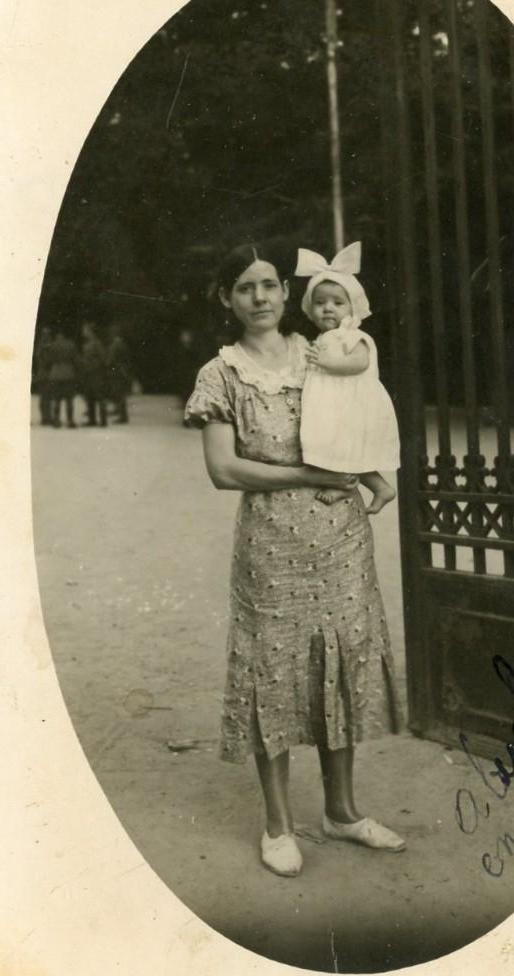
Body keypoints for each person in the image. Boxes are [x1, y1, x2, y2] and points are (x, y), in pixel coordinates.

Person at [185, 242, 405, 878]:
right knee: (273, 671)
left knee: (341, 657)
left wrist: (371, 473)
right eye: (245, 287)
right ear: (227, 299)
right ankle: (278, 825)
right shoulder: (219, 373)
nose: (260, 298)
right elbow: (224, 470)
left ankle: (342, 809)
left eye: (269, 285)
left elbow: (356, 420)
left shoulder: (322, 355)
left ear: (287, 293)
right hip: (272, 542)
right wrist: (309, 473)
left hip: (341, 536)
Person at [295, 242, 400, 514]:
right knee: (333, 446)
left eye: (337, 302)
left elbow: (359, 362)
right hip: (330, 403)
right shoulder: (323, 337)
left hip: (348, 404)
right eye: (319, 303)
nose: (327, 308)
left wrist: (328, 362)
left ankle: (343, 483)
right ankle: (380, 488)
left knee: (342, 446)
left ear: (353, 309)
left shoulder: (352, 335)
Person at [48, 329, 79, 428]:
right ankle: (70, 420)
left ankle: (56, 420)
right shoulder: (71, 345)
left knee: (56, 399)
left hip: (56, 373)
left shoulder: (52, 345)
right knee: (69, 399)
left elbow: (48, 359)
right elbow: (76, 359)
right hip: (68, 373)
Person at [80, 322, 108, 427]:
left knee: (99, 395)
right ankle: (92, 420)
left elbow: (103, 357)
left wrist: (95, 366)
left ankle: (103, 420)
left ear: (90, 331)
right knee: (89, 396)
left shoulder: (97, 343)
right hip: (88, 373)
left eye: (85, 330)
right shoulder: (87, 343)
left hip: (96, 373)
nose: (84, 332)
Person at [106, 323, 132, 424]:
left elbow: (111, 359)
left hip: (117, 371)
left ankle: (123, 416)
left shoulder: (115, 345)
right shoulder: (121, 343)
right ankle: (121, 414)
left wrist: (107, 363)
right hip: (121, 370)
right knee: (119, 393)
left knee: (119, 393)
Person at [33, 326, 54, 425]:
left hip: (43, 374)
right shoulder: (47, 346)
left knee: (45, 397)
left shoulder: (41, 346)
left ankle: (46, 417)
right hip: (47, 374)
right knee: (46, 397)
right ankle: (46, 417)